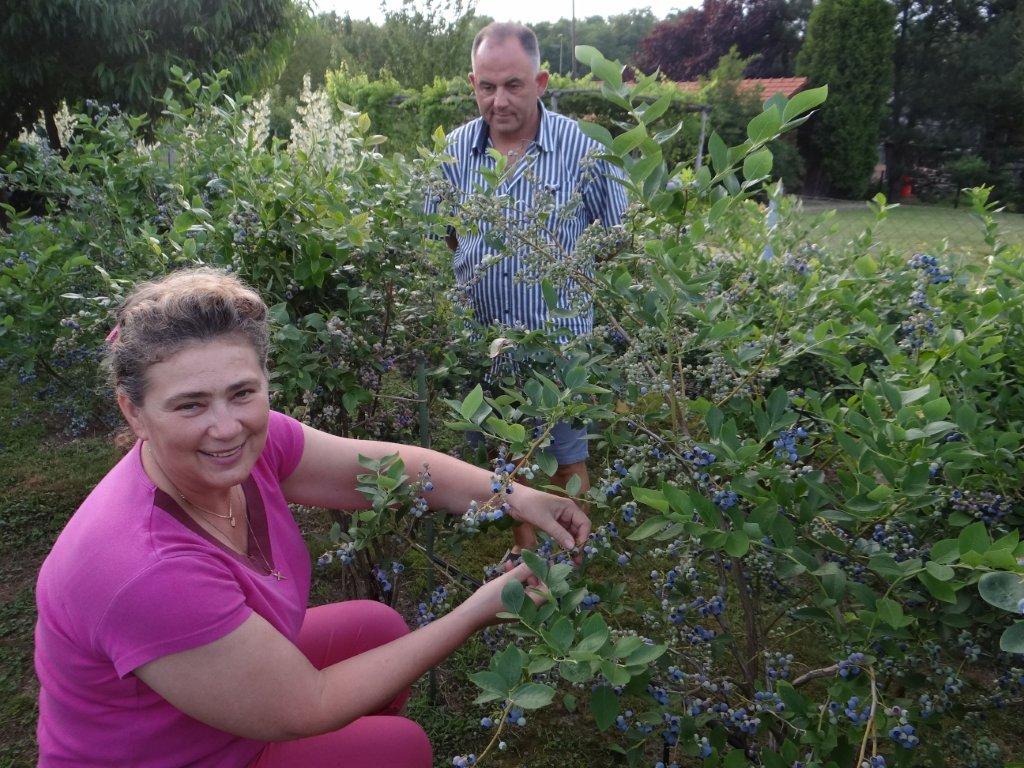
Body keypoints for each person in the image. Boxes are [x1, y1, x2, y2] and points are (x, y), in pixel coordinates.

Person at [34, 267, 590, 768]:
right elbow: (306, 706)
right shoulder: (146, 570)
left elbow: (395, 469)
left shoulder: (252, 447)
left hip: (211, 707)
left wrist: (514, 495)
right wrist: (479, 609)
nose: (226, 426)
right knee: (402, 749)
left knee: (377, 628)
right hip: (171, 755)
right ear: (134, 410)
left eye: (242, 393)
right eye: (190, 404)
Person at [426, 21, 628, 552]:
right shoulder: (453, 153)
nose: (499, 100)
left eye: (513, 85)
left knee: (565, 453)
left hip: (559, 345)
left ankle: (569, 552)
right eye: (486, 87)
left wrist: (571, 282)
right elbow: (436, 235)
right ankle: (526, 559)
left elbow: (617, 231)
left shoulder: (579, 148)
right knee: (504, 456)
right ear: (472, 83)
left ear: (540, 82)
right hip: (481, 344)